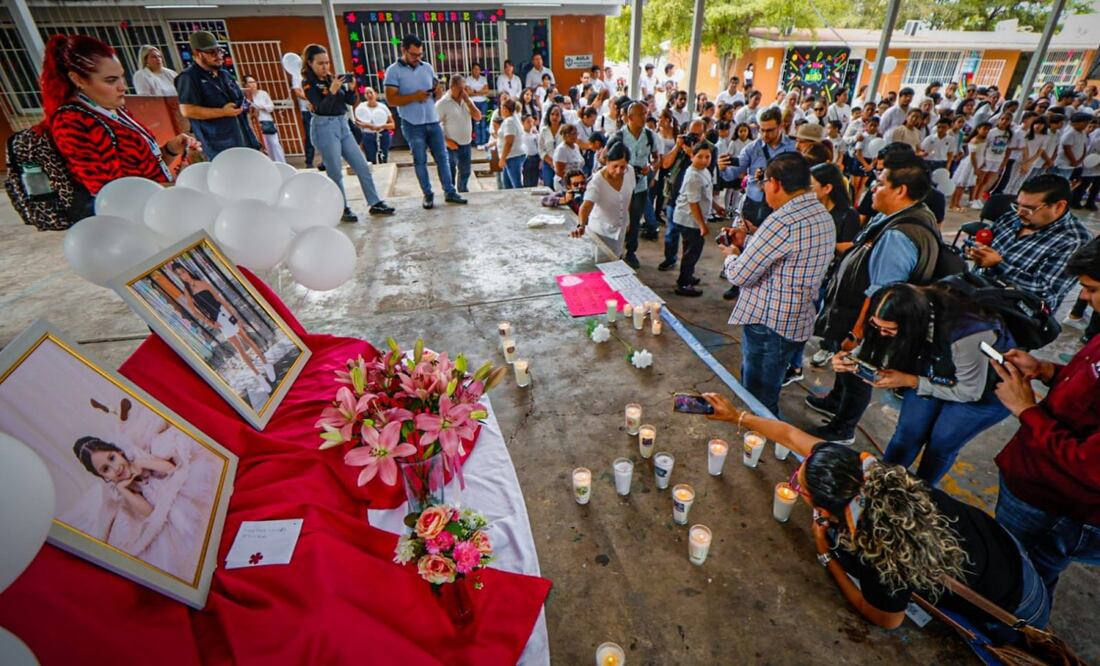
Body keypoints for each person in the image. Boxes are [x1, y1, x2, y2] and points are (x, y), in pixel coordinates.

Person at [699, 393, 1052, 635]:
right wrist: (736, 416)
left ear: (823, 510)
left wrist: (826, 555)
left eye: (798, 483)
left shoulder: (884, 557)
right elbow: (792, 435)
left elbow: (885, 619)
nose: (795, 480)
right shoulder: (878, 477)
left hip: (1013, 610)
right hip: (1010, 555)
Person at [990, 237, 1100, 603]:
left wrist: (1027, 410)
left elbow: (1091, 466)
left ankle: (1009, 635)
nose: (1084, 299)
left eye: (1092, 289)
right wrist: (1048, 370)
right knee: (1010, 562)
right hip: (1035, 479)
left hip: (1056, 503)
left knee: (1019, 577)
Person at [811, 152, 943, 443]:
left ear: (900, 190)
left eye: (880, 182)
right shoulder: (906, 216)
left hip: (864, 322)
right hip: (853, 311)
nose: (873, 187)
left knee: (857, 368)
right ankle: (836, 400)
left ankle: (842, 429)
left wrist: (856, 334)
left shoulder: (899, 235)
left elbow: (881, 294)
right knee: (844, 366)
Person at [839, 283, 1012, 485]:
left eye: (889, 330)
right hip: (934, 368)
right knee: (907, 434)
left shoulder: (968, 332)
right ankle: (880, 486)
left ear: (912, 324)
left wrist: (911, 380)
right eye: (877, 327)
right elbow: (879, 343)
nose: (882, 333)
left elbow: (969, 391)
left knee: (940, 445)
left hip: (983, 392)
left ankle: (919, 495)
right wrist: (852, 360)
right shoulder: (906, 305)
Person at [721, 153, 835, 417]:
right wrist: (749, 241)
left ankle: (762, 444)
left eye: (765, 184)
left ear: (776, 183)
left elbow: (739, 275)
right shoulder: (821, 213)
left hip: (769, 324)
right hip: (795, 321)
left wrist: (732, 256)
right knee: (768, 387)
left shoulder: (781, 221)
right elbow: (786, 260)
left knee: (758, 397)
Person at [41, 34, 196, 207]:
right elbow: (112, 195)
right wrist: (176, 190)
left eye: (121, 77)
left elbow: (141, 166)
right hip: (138, 214)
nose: (122, 86)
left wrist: (170, 149)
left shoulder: (115, 109)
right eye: (111, 80)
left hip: (159, 203)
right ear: (78, 79)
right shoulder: (72, 122)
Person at [966, 174, 1091, 311]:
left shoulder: (1075, 241)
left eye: (1029, 209)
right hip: (975, 295)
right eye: (1018, 205)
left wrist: (999, 264)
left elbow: (1046, 292)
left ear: (1059, 207)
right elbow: (985, 242)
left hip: (1014, 315)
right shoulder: (1011, 218)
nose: (1019, 213)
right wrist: (974, 250)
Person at [301, 44, 394, 221]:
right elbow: (322, 107)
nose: (325, 67)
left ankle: (375, 203)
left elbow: (349, 102)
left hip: (342, 124)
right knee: (335, 171)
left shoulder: (331, 78)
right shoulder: (308, 83)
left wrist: (351, 89)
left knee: (362, 166)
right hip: (324, 127)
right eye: (320, 63)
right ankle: (341, 207)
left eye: (327, 62)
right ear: (310, 63)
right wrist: (333, 91)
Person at [384, 35, 466, 209]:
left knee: (443, 158)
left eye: (420, 54)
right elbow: (391, 100)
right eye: (414, 55)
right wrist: (414, 96)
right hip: (412, 124)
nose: (417, 58)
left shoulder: (427, 67)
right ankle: (427, 194)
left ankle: (450, 191)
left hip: (432, 120)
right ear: (403, 50)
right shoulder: (393, 71)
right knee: (420, 160)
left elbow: (437, 92)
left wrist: (437, 91)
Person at [176, 31, 257, 159]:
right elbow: (187, 110)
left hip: (244, 136)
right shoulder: (189, 77)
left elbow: (238, 98)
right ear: (197, 53)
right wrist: (223, 112)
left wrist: (248, 105)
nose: (218, 56)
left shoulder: (225, 75)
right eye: (212, 52)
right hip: (219, 144)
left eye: (219, 51)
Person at [719, 106, 796, 228]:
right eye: (762, 130)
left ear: (781, 126)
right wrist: (723, 168)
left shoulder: (793, 147)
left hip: (781, 205)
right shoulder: (752, 148)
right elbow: (732, 174)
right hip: (754, 203)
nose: (765, 135)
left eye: (770, 130)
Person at [613, 101, 660, 268]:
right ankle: (615, 250)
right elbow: (606, 158)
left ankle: (631, 251)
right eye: (641, 114)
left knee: (635, 218)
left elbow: (656, 158)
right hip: (621, 185)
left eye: (646, 114)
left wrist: (651, 168)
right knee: (619, 217)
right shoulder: (619, 136)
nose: (644, 117)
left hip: (640, 185)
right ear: (630, 117)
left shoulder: (650, 136)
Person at [570, 140, 636, 260]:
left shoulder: (630, 172)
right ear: (607, 161)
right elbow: (585, 207)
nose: (619, 171)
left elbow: (628, 197)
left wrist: (627, 219)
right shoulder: (597, 182)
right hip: (601, 233)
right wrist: (581, 225)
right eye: (615, 166)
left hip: (620, 231)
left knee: (616, 260)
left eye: (623, 167)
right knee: (601, 265)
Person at [672, 142, 715, 297]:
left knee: (694, 250)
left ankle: (688, 276)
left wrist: (716, 206)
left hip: (696, 219)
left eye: (707, 157)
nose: (704, 160)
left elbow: (707, 193)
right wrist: (702, 225)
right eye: (700, 157)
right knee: (691, 252)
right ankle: (683, 283)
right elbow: (693, 203)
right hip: (689, 220)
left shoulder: (704, 171)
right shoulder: (693, 176)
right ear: (692, 156)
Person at [436, 74, 481, 194]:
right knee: (450, 170)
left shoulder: (466, 100)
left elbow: (478, 116)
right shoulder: (443, 103)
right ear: (452, 87)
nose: (463, 91)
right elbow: (434, 125)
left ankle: (463, 190)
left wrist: (467, 101)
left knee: (465, 171)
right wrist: (446, 141)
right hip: (451, 145)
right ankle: (450, 192)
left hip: (466, 143)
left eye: (464, 88)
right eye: (460, 88)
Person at [241, 75, 286, 164]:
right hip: (253, 123)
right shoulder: (244, 97)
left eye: (254, 82)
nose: (253, 84)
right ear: (245, 84)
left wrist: (260, 107)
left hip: (266, 121)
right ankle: (268, 164)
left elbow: (271, 107)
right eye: (250, 82)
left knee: (274, 144)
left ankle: (281, 163)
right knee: (262, 145)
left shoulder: (262, 93)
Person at [354, 87, 393, 164]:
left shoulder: (382, 107)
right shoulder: (361, 107)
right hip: (367, 135)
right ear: (364, 95)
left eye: (371, 92)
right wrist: (369, 126)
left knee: (383, 157)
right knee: (370, 159)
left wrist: (381, 126)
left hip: (382, 134)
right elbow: (357, 123)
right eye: (367, 93)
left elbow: (392, 124)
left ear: (375, 94)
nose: (369, 95)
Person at [289, 61, 318, 169]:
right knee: (310, 135)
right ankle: (309, 161)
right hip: (306, 109)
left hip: (318, 108)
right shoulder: (296, 76)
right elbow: (297, 92)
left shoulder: (312, 74)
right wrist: (311, 98)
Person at [496, 99, 524, 189]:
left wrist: (503, 158)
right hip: (511, 156)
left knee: (516, 184)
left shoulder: (509, 122)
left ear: (505, 109)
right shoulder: (512, 119)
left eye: (501, 108)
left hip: (512, 156)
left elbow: (509, 142)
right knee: (508, 185)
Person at [538, 104, 565, 188]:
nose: (554, 117)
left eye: (557, 115)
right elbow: (541, 149)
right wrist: (551, 162)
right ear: (548, 115)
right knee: (549, 186)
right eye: (552, 114)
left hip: (563, 164)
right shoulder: (544, 130)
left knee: (561, 187)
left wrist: (557, 163)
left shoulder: (565, 129)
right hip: (548, 164)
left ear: (561, 116)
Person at [552, 124, 584, 191]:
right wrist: (570, 183)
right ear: (566, 135)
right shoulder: (562, 149)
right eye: (573, 133)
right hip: (565, 184)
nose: (576, 136)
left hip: (575, 182)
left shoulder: (576, 146)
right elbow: (559, 172)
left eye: (576, 133)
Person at [465, 63, 490, 147]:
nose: (476, 70)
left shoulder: (483, 78)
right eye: (475, 69)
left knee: (483, 122)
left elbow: (486, 91)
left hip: (483, 102)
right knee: (476, 123)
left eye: (478, 69)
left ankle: (484, 142)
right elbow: (468, 92)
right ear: (472, 70)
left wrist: (475, 91)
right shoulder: (468, 79)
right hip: (473, 103)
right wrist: (480, 92)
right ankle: (478, 142)